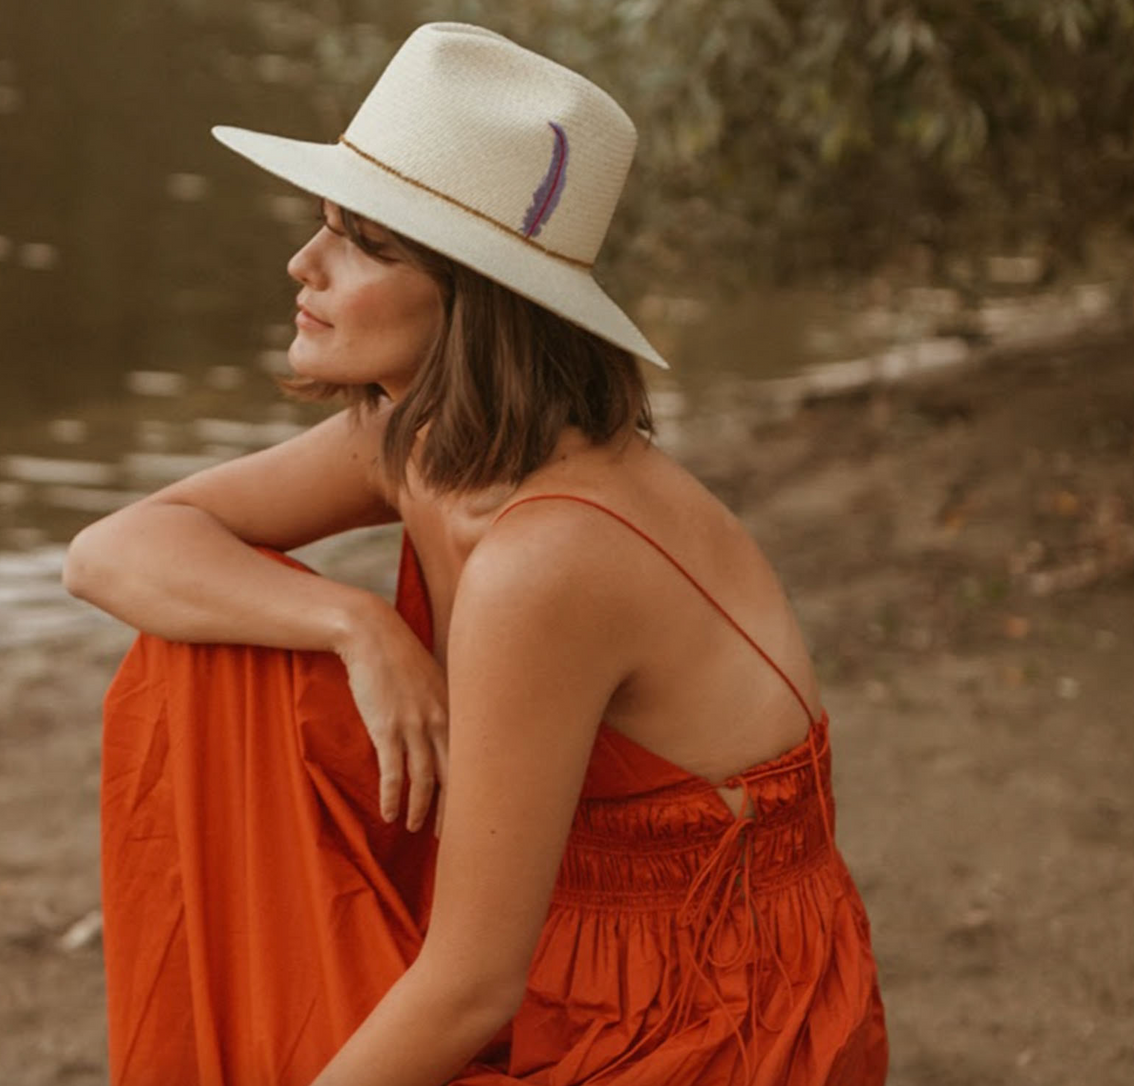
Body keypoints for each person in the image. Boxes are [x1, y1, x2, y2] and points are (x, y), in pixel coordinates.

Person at [64, 21, 887, 1086]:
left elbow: (468, 987)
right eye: (324, 226)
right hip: (558, 938)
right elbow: (108, 552)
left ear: (469, 302)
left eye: (362, 242)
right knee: (210, 654)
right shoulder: (414, 442)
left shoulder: (548, 555)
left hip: (709, 1018)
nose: (301, 265)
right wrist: (353, 624)